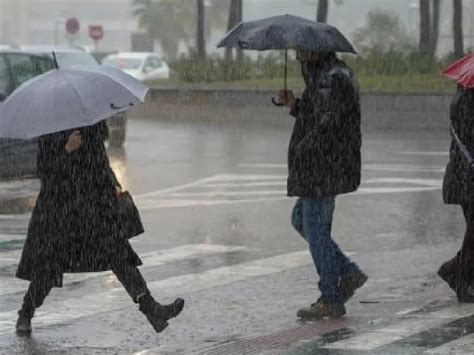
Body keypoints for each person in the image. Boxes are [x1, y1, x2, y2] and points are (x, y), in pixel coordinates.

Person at [15, 121, 184, 335]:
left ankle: (152, 309)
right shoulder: (50, 128)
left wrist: (113, 182)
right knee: (48, 269)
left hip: (93, 208)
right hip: (59, 213)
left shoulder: (90, 123)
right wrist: (67, 150)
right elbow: (47, 175)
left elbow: (100, 160)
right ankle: (26, 313)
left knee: (119, 256)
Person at [278, 50, 367, 319]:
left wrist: (304, 148)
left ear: (314, 49)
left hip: (321, 167)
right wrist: (295, 104)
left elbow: (327, 124)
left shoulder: (329, 78)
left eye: (300, 50)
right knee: (301, 220)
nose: (295, 55)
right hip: (324, 166)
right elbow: (319, 115)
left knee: (316, 230)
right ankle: (348, 272)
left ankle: (330, 297)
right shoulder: (326, 76)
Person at [438, 85, 474, 302]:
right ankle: (458, 276)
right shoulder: (466, 101)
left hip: (465, 176)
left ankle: (455, 271)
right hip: (466, 178)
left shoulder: (464, 96)